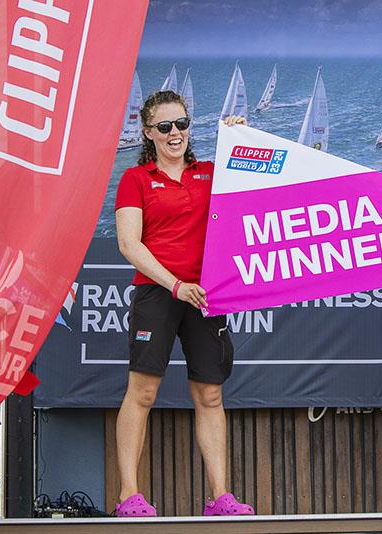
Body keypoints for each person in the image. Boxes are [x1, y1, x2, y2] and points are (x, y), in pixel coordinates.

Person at [113, 90, 253, 517]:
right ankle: (128, 495)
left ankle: (220, 498)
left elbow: (254, 197)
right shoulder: (135, 179)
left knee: (210, 395)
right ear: (148, 131)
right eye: (164, 126)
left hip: (207, 293)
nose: (175, 134)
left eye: (182, 124)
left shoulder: (212, 172)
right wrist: (175, 285)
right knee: (143, 391)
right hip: (160, 291)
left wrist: (243, 143)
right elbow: (127, 244)